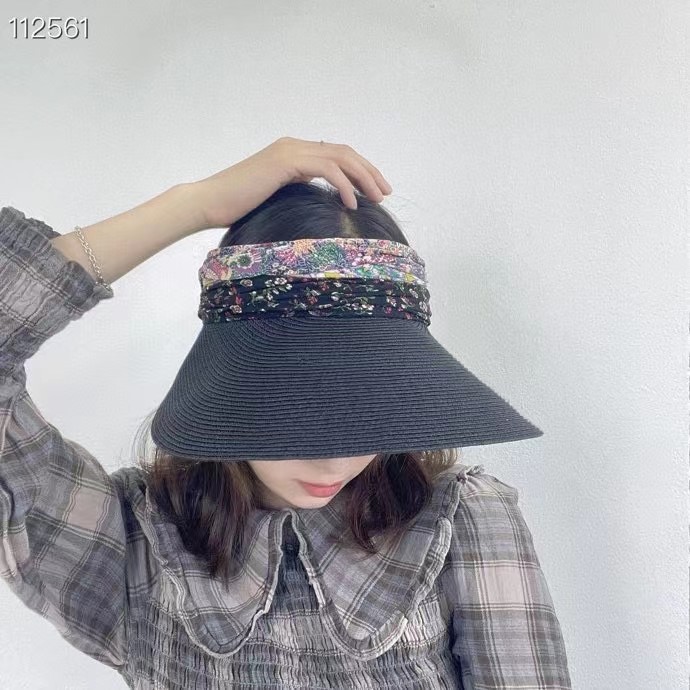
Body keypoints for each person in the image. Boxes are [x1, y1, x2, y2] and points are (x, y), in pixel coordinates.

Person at [0, 137, 572, 688]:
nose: (335, 458)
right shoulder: (137, 538)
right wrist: (194, 204)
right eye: (292, 408)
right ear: (230, 382)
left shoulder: (459, 522)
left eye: (371, 408)